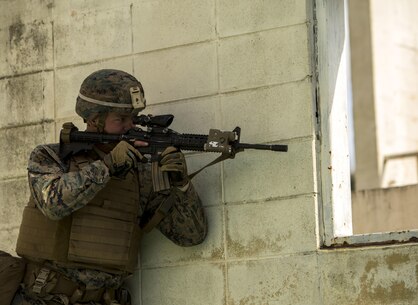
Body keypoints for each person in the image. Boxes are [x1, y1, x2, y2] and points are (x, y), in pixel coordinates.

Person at [12, 69, 207, 305]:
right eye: (121, 119)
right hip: (45, 297)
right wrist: (108, 165)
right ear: (94, 119)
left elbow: (191, 236)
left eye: (134, 119)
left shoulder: (141, 174)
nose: (130, 126)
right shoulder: (53, 156)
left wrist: (182, 184)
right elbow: (52, 204)